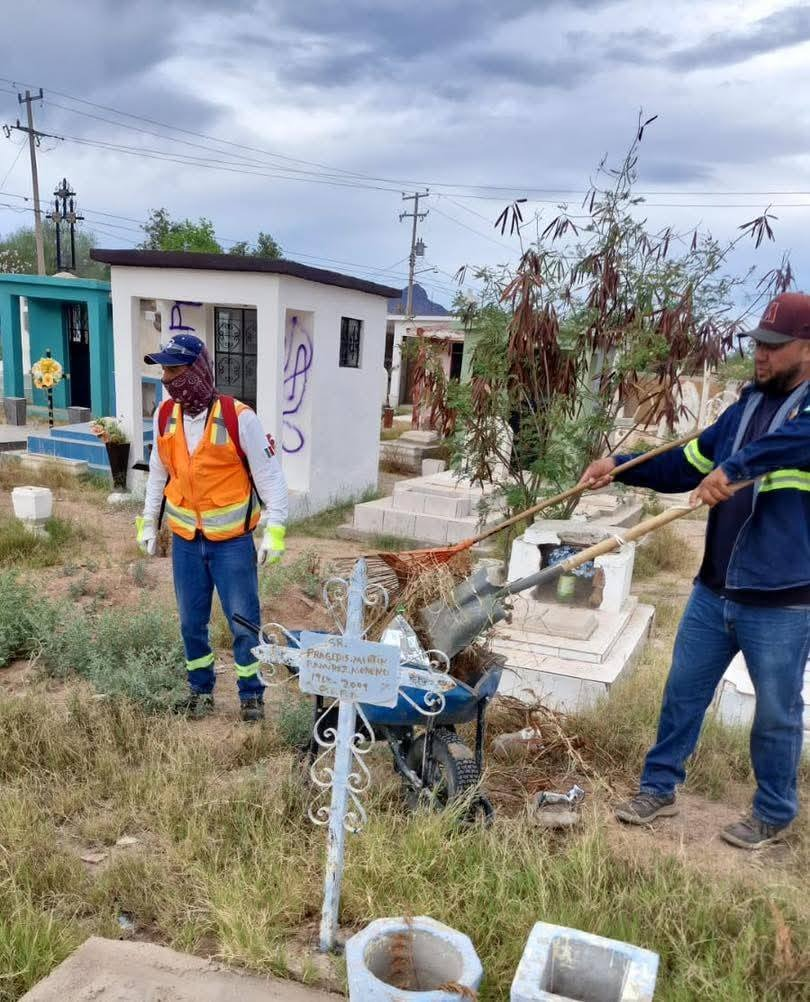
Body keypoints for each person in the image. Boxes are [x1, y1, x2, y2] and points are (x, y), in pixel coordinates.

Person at [579, 292, 810, 849]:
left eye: (774, 346)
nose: (761, 355)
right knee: (682, 693)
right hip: (715, 589)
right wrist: (620, 468)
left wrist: (736, 467)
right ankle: (658, 787)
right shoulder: (743, 410)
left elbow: (790, 445)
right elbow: (687, 463)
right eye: (758, 344)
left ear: (807, 348)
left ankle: (773, 812)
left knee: (776, 713)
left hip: (780, 599)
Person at [135, 333, 288, 723]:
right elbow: (158, 475)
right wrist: (148, 523)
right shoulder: (164, 416)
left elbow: (270, 478)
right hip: (186, 543)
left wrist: (275, 531)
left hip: (232, 544)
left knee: (243, 621)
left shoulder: (239, 417)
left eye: (174, 370)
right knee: (191, 622)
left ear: (198, 370)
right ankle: (200, 691)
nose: (167, 379)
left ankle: (251, 695)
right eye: (164, 370)